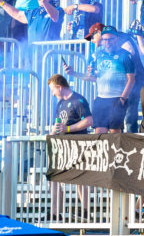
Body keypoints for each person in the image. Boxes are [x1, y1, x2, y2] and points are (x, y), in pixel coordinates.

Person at [47, 74, 92, 222]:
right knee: (54, 178)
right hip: (62, 147)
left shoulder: (78, 100)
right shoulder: (59, 103)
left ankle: (85, 212)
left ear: (59, 87)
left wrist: (67, 129)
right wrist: (51, 134)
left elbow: (89, 121)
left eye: (53, 89)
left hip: (78, 145)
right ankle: (54, 213)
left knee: (81, 179)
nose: (52, 93)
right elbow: (58, 124)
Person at [90, 26, 136, 133]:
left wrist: (122, 99)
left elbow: (131, 79)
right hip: (101, 99)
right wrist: (73, 73)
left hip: (117, 98)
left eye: (110, 39)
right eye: (105, 39)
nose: (107, 42)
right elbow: (94, 77)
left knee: (114, 133)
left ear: (117, 39)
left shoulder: (125, 55)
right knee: (99, 134)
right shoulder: (99, 54)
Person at [0, 0, 64, 45]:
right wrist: (1, 2)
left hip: (49, 56)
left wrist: (45, 2)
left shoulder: (59, 10)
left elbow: (54, 16)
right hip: (33, 54)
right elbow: (18, 14)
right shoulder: (34, 12)